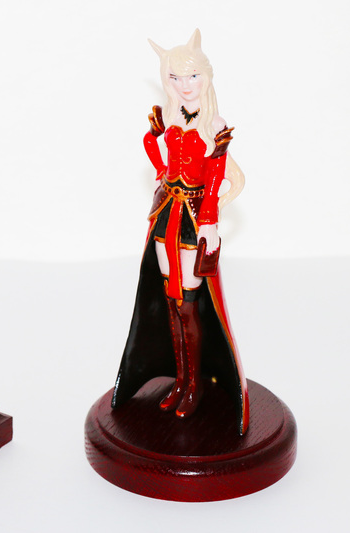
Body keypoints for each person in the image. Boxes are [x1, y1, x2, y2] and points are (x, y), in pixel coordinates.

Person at [112, 30, 249, 434]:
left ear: (206, 77)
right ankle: (181, 380)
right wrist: (156, 152)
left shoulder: (214, 124)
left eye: (191, 76)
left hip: (192, 218)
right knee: (171, 300)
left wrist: (211, 219)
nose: (185, 85)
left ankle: (195, 386)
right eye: (175, 77)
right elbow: (156, 155)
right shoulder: (170, 116)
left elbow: (219, 177)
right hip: (165, 213)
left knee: (188, 303)